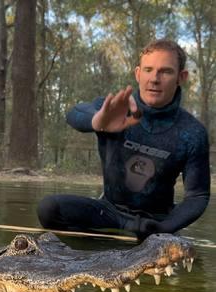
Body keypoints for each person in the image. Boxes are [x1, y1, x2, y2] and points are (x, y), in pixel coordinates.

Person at [37, 39, 210, 240]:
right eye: (148, 70)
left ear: (182, 77)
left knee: (164, 243)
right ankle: (104, 250)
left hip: (156, 223)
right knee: (49, 209)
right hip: (109, 212)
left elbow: (197, 196)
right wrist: (98, 121)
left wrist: (164, 227)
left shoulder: (192, 132)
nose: (154, 79)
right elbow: (74, 113)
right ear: (138, 74)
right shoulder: (114, 110)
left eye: (165, 71)